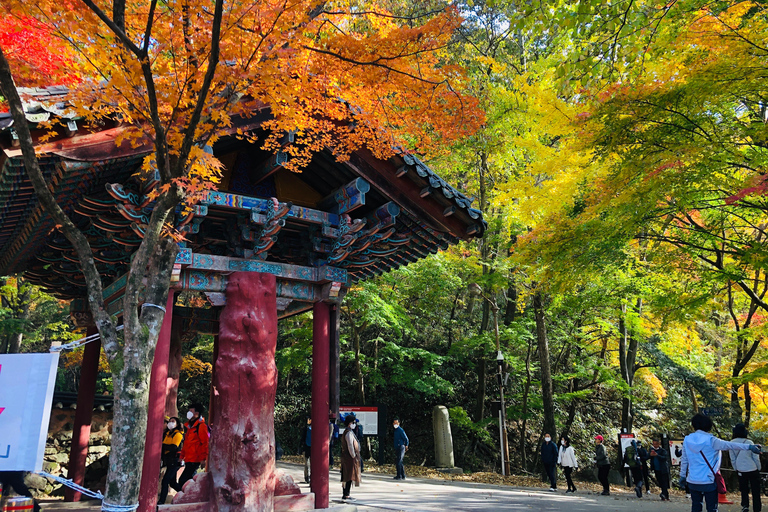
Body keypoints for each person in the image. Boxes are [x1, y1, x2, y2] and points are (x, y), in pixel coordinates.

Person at [680, 413, 761, 512]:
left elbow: (684, 459)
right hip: (709, 480)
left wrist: (682, 475)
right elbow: (730, 445)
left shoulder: (687, 439)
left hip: (692, 480)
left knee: (696, 506)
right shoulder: (712, 440)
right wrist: (749, 447)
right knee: (712, 508)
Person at [175, 403, 209, 490]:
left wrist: (203, 459)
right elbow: (186, 444)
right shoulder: (190, 427)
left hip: (195, 459)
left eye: (191, 411)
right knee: (188, 481)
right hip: (188, 459)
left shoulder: (201, 426)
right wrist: (181, 457)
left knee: (184, 481)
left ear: (197, 413)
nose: (188, 412)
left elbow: (205, 443)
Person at [730, 423, 762, 512]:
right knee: (756, 490)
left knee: (743, 489)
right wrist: (759, 468)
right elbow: (755, 457)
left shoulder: (731, 443)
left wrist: (736, 468)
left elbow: (732, 458)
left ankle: (745, 505)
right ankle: (757, 508)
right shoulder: (749, 442)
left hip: (740, 469)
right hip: (752, 468)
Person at [159, 417, 184, 505]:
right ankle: (185, 495)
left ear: (177, 424)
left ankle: (161, 501)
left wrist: (162, 445)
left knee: (165, 480)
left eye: (173, 421)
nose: (170, 423)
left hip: (175, 461)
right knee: (172, 483)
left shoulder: (178, 434)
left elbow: (173, 447)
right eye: (169, 421)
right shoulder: (167, 434)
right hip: (169, 461)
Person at [340, 414, 361, 500]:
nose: (354, 424)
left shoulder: (349, 431)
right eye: (353, 422)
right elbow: (350, 446)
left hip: (348, 457)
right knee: (348, 475)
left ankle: (346, 493)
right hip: (349, 458)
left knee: (348, 475)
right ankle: (346, 494)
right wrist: (353, 456)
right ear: (349, 423)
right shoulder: (348, 433)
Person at [300, 416, 312, 484]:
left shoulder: (316, 429)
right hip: (306, 447)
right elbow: (302, 437)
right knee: (306, 464)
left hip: (313, 448)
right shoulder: (306, 428)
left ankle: (311, 477)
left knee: (312, 464)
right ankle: (307, 477)